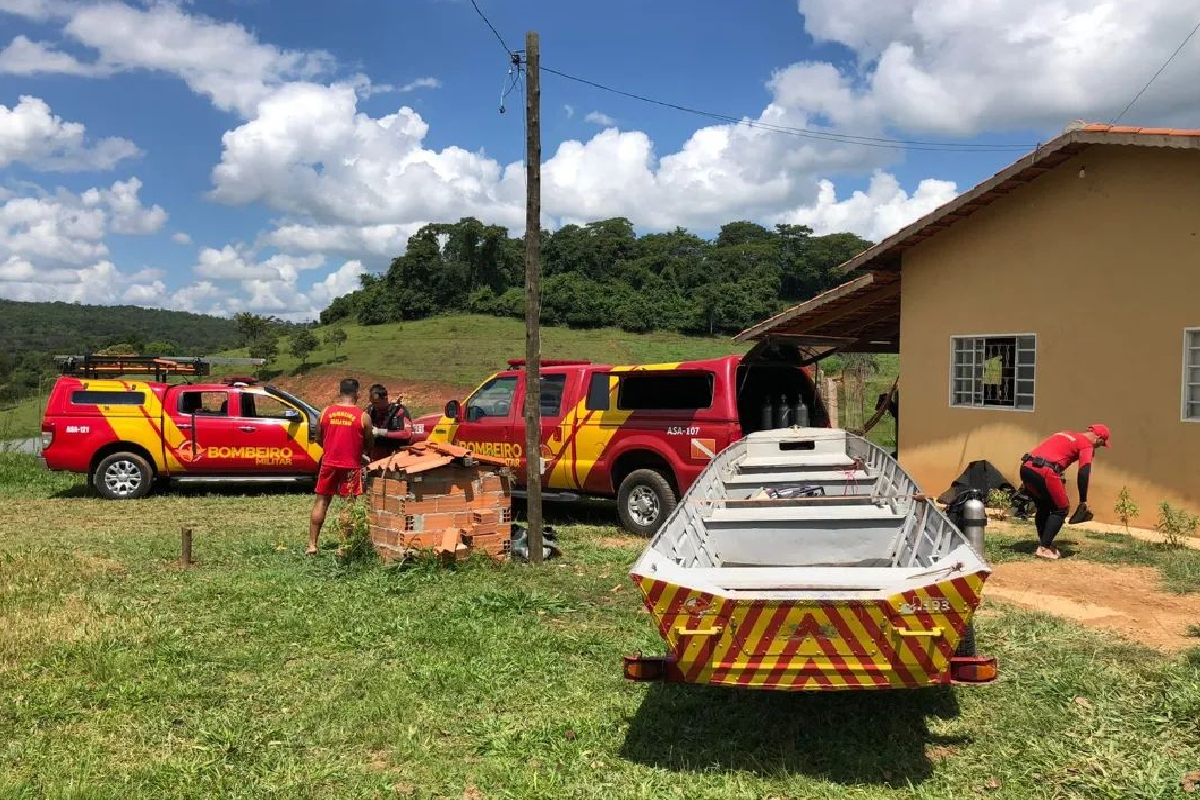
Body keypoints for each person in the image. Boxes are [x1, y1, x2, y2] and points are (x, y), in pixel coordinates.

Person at [1018, 424, 1111, 560]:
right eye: (1101, 444)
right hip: (1045, 471)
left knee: (1044, 506)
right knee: (1061, 509)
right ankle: (1044, 548)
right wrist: (1083, 500)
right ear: (1099, 439)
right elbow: (1084, 472)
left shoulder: (1065, 433)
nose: (1099, 447)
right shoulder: (1087, 445)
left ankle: (1044, 543)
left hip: (1026, 467)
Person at [309, 378, 371, 555]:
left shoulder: (325, 412)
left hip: (329, 463)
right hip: (351, 466)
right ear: (358, 394)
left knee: (321, 501)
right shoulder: (363, 417)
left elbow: (318, 438)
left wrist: (331, 450)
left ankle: (312, 545)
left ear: (339, 392)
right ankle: (343, 548)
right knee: (348, 505)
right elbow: (368, 443)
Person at [365, 383, 413, 461]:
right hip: (375, 455)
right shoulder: (369, 411)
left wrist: (380, 432)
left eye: (377, 403)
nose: (374, 405)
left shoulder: (399, 411)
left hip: (396, 455)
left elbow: (407, 433)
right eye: (372, 402)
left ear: (385, 399)